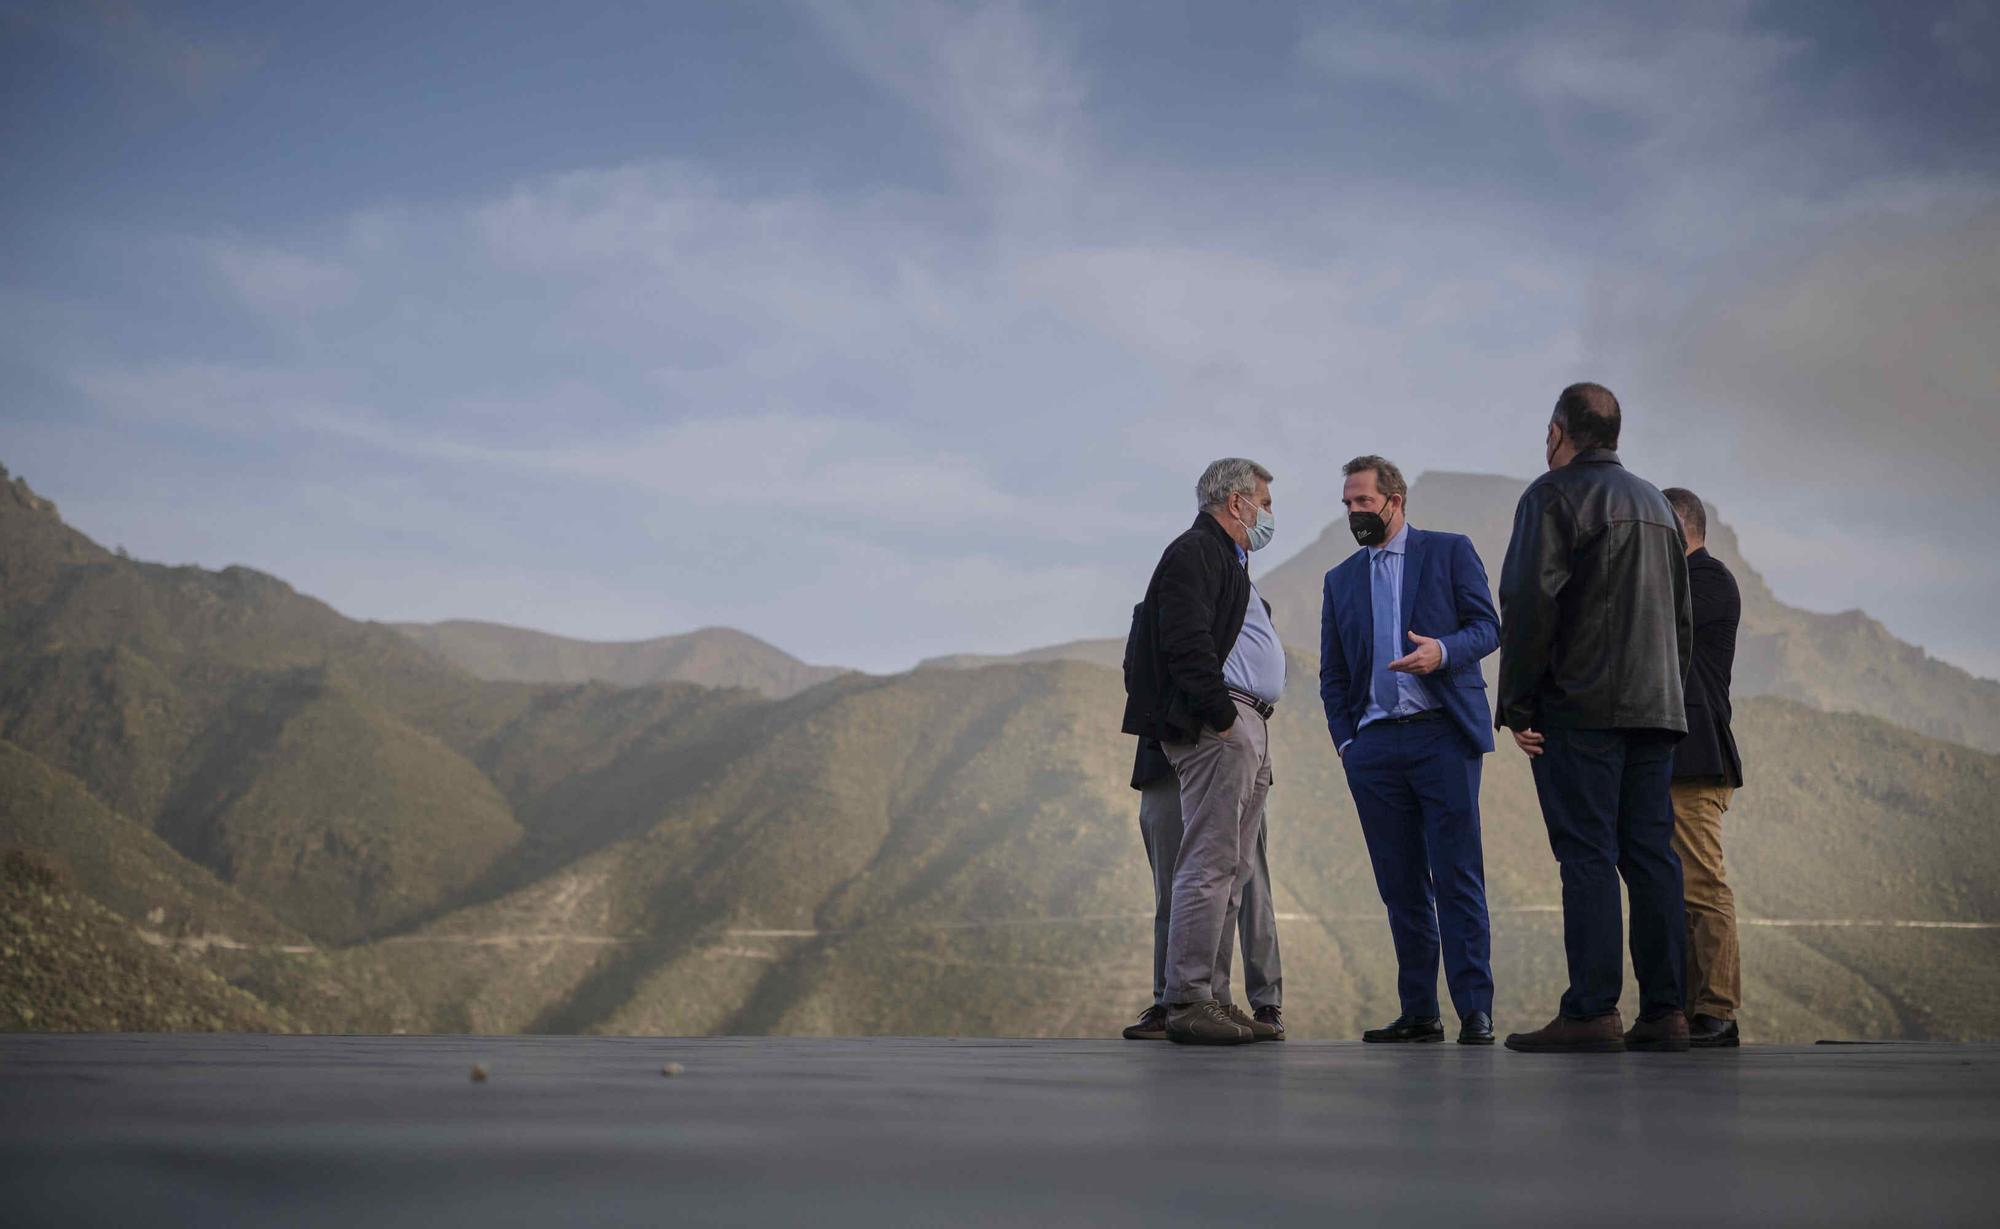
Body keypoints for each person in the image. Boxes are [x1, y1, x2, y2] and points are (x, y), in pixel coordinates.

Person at [1496, 382, 1694, 1054]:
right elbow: (1682, 621)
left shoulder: (1551, 495)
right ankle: (1668, 1012)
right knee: (1652, 856)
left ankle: (1591, 1011)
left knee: (1586, 853)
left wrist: (1518, 701)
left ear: (1559, 431)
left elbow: (1528, 600)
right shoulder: (1660, 508)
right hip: (1657, 707)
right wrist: (1670, 696)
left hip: (1583, 706)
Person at [1318, 455, 1500, 1046]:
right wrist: (1348, 742)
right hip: (1374, 747)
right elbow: (1333, 673)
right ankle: (1419, 1012)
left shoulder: (1449, 551)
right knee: (1400, 884)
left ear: (1394, 501)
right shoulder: (1340, 579)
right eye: (1347, 504)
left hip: (1441, 735)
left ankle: (1475, 1010)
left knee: (1457, 875)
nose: (1353, 513)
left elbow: (1487, 627)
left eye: (1363, 502)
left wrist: (1442, 652)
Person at [1120, 458, 1285, 1045]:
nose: (1269, 514)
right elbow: (1183, 638)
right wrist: (1220, 716)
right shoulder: (1196, 551)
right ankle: (1189, 999)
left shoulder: (1227, 560)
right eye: (1265, 502)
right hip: (1225, 723)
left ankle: (1212, 996)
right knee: (1208, 864)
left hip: (1246, 722)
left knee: (1231, 869)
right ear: (1236, 502)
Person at [1118, 732, 1284, 1042]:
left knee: (1250, 886)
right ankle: (1170, 1002)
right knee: (1174, 889)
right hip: (1168, 752)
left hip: (1235, 754)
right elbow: (1139, 682)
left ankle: (1266, 1004)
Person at [1660, 487, 1745, 1049]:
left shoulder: (1708, 580)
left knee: (1701, 884)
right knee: (1673, 890)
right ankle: (1688, 1010)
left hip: (1697, 757)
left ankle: (1716, 1009)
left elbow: (1658, 623)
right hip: (1667, 757)